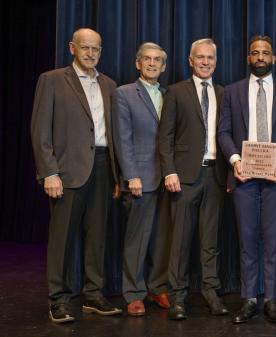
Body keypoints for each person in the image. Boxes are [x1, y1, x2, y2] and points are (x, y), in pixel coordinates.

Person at [31, 28, 122, 323]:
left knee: (97, 237)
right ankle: (57, 299)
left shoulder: (110, 85)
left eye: (96, 48)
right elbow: (40, 131)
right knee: (62, 239)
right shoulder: (53, 80)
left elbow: (114, 135)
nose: (91, 53)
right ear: (72, 47)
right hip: (67, 170)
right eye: (85, 48)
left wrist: (117, 176)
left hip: (102, 168)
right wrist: (49, 172)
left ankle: (93, 295)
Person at [218, 35, 276, 324]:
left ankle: (272, 300)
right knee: (248, 240)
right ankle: (250, 299)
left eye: (266, 53)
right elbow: (223, 132)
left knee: (273, 241)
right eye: (255, 53)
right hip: (244, 176)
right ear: (248, 58)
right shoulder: (232, 91)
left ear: (274, 58)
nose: (261, 57)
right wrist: (235, 160)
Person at [158, 38, 228, 320]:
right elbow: (165, 136)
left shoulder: (224, 93)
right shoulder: (175, 91)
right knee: (180, 240)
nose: (205, 62)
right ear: (190, 61)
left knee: (210, 240)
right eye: (200, 57)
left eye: (210, 57)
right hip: (184, 176)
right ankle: (177, 297)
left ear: (216, 61)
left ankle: (211, 292)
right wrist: (169, 170)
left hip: (216, 174)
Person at [112, 42, 171, 316]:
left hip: (168, 178)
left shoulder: (169, 95)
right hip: (140, 178)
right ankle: (133, 293)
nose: (151, 64)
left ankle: (157, 286)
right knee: (138, 238)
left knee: (163, 238)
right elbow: (122, 139)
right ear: (137, 63)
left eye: (157, 60)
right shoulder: (124, 94)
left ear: (163, 66)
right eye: (146, 59)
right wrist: (130, 175)